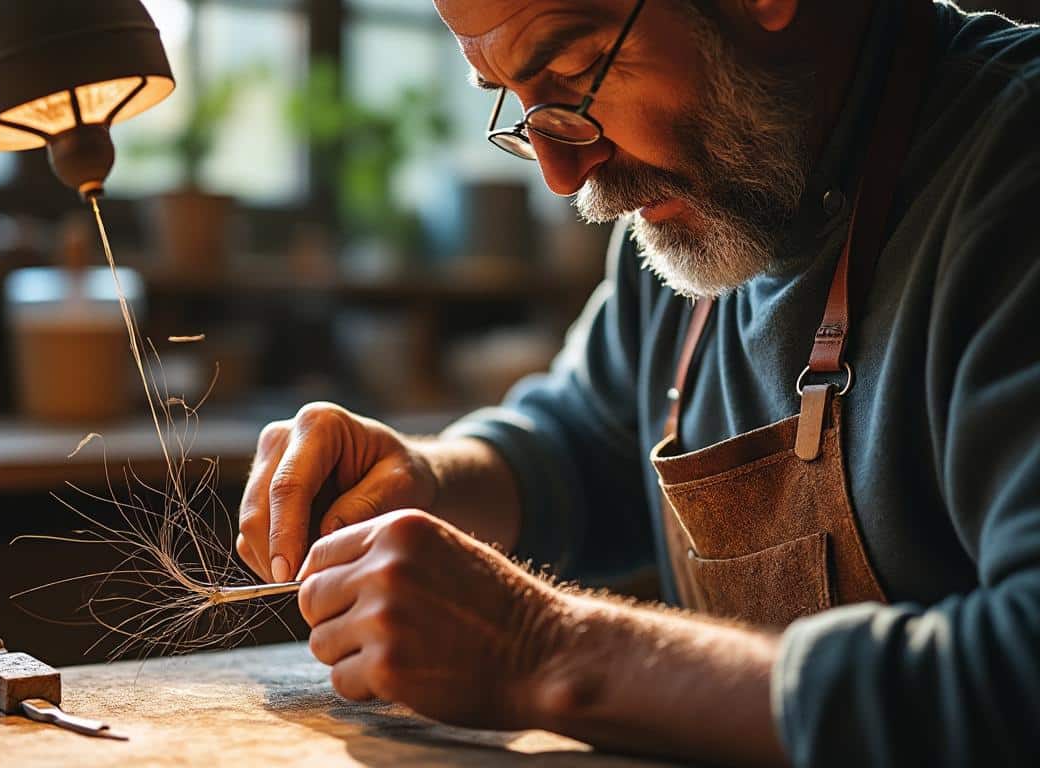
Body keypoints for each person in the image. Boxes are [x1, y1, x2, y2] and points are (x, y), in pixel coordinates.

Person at [237, 1, 1040, 765]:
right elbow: (585, 442)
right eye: (513, 100)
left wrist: (543, 651)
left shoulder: (1010, 169)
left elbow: (1019, 680)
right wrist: (426, 478)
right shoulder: (694, 199)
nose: (559, 172)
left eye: (577, 71)